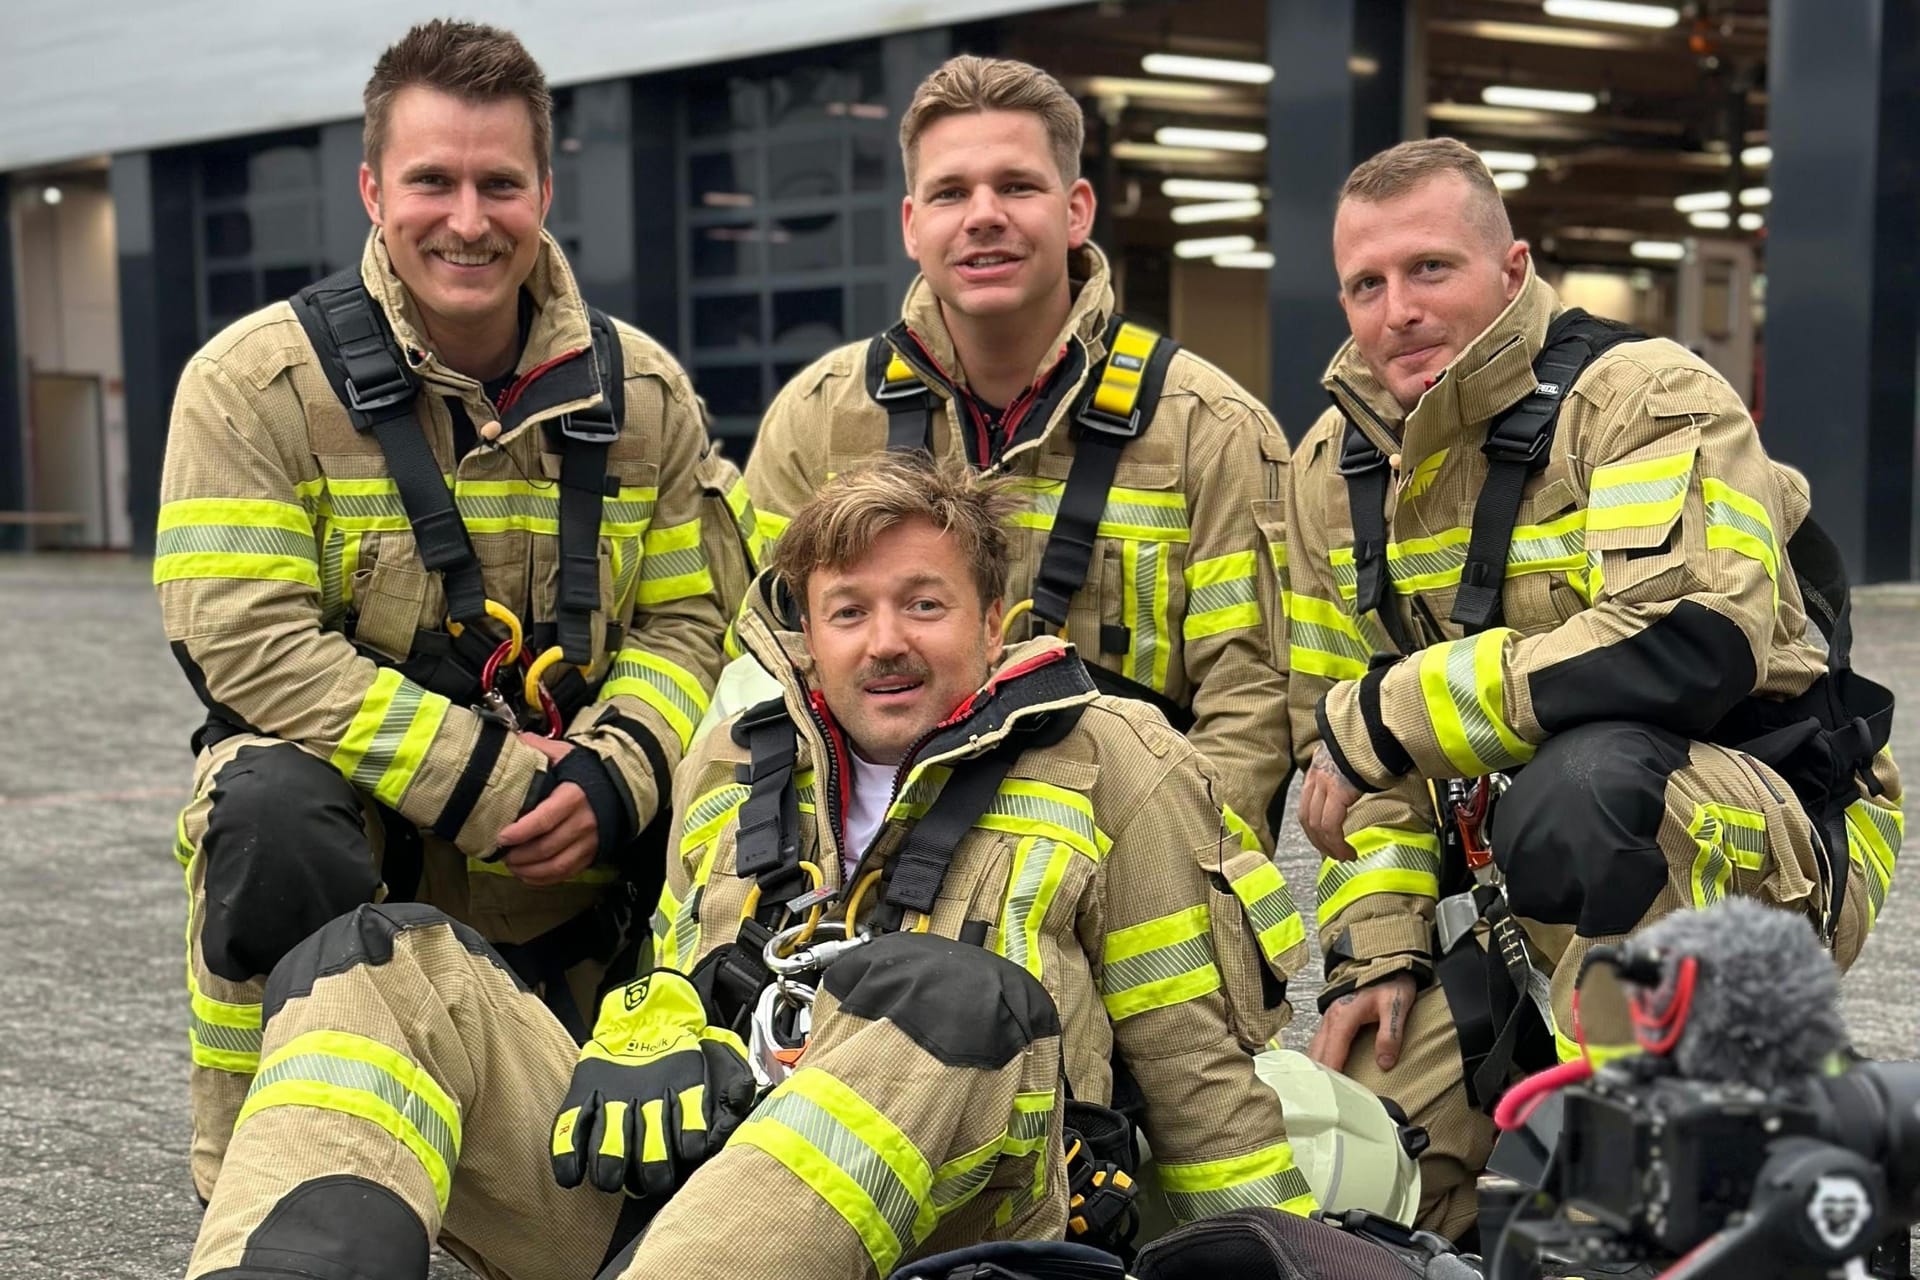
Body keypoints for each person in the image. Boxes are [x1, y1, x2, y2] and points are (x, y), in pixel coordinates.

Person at [184, 454, 1316, 1280]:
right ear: (806, 635)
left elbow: (1193, 1061)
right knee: (382, 961)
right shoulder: (733, 750)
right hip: (694, 1211)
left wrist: (1281, 1254)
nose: (886, 640)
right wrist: (653, 1015)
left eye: (926, 603)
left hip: (960, 1222)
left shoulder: (1118, 758)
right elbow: (685, 960)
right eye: (849, 610)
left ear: (993, 620)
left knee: (948, 990)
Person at [155, 19, 744, 1203]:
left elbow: (693, 627)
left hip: (583, 857)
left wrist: (614, 774)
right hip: (371, 833)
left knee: (738, 799)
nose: (467, 220)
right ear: (374, 188)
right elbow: (249, 642)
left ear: (545, 190)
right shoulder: (252, 385)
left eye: (499, 183)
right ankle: (267, 1179)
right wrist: (490, 781)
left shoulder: (647, 398)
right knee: (263, 807)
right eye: (432, 179)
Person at [1281, 138, 1901, 1239]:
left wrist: (1394, 711)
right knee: (1367, 1166)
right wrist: (1380, 950)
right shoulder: (1332, 464)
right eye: (1366, 284)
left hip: (1757, 828)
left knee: (1588, 788)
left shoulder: (1644, 397)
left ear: (1513, 270)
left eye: (1432, 269)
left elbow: (1690, 643)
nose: (1398, 310)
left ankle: (1666, 1192)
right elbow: (1345, 750)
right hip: (1537, 873)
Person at [743, 55, 1292, 839]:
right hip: (877, 885)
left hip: (1124, 888)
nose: (984, 214)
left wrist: (1135, 873)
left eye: (1017, 186)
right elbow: (767, 673)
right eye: (950, 192)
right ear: (911, 224)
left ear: (1076, 211)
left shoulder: (1211, 430)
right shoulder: (818, 420)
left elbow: (1250, 713)